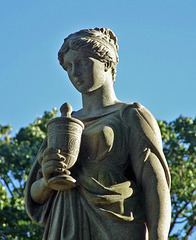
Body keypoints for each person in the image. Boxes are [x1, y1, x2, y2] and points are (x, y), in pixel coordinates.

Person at [25, 27, 171, 240]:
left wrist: (159, 236)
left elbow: (154, 182)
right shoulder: (63, 125)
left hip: (119, 221)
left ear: (107, 64)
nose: (75, 72)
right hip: (65, 223)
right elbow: (35, 195)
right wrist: (48, 180)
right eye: (69, 66)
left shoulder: (130, 115)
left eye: (84, 62)